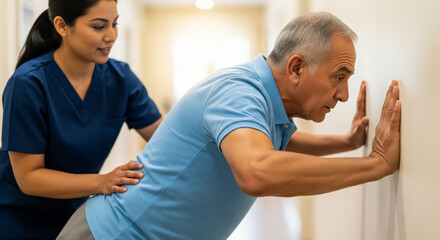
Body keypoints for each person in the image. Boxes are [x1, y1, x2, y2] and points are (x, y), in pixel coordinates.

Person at [58, 11, 401, 240]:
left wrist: (346, 141)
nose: (343, 94)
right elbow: (257, 171)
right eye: (338, 77)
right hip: (112, 233)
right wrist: (375, 165)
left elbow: (280, 144)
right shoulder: (240, 92)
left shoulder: (267, 103)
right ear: (296, 68)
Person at [0, 0, 162, 239]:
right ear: (62, 26)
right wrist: (102, 182)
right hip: (18, 219)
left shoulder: (121, 80)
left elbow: (165, 137)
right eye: (99, 27)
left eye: (114, 24)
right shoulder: (28, 84)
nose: (111, 36)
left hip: (75, 217)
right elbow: (29, 178)